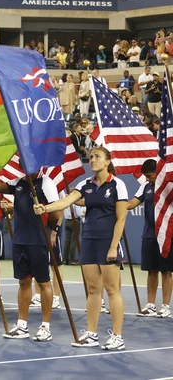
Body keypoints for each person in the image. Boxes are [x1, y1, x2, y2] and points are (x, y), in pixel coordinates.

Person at [34, 147, 128, 350]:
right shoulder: (85, 184)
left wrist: (113, 247)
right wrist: (46, 208)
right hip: (89, 241)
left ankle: (117, 336)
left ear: (108, 161)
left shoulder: (118, 185)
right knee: (93, 290)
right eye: (91, 157)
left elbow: (121, 219)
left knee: (112, 290)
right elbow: (66, 200)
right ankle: (92, 333)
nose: (92, 160)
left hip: (108, 242)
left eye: (97, 157)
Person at [0, 165, 61, 342]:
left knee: (43, 283)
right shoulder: (18, 182)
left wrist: (52, 226)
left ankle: (45, 327)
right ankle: (22, 325)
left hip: (39, 241)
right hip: (19, 240)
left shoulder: (46, 183)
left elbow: (56, 212)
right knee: (23, 282)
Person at [127, 160, 172, 318]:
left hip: (166, 234)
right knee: (151, 270)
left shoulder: (168, 186)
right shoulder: (145, 186)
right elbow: (133, 203)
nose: (147, 179)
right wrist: (117, 203)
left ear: (158, 172)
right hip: (148, 234)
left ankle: (166, 306)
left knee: (166, 271)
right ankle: (151, 305)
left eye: (149, 175)